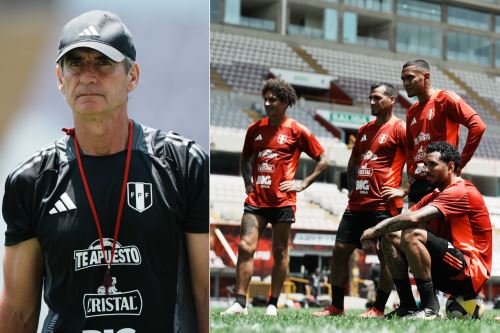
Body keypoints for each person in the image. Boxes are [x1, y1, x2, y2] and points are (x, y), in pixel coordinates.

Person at [0, 10, 208, 333]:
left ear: (133, 76)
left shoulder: (183, 165)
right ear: (60, 78)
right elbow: (17, 311)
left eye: (102, 62)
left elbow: (204, 294)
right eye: (75, 63)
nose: (88, 76)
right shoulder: (31, 182)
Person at [221, 78, 329, 316]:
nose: (268, 103)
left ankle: (272, 302)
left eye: (273, 100)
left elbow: (324, 159)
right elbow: (244, 159)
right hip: (256, 201)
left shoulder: (297, 130)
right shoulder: (255, 129)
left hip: (283, 201)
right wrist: (247, 182)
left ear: (286, 102)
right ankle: (240, 302)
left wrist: (304, 183)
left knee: (280, 251)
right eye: (266, 99)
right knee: (245, 246)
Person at [360, 142, 492, 319]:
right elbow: (405, 216)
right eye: (425, 164)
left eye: (432, 164)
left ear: (450, 166)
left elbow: (412, 219)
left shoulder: (461, 191)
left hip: (469, 273)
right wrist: (378, 232)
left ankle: (430, 309)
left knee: (413, 234)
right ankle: (407, 305)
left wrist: (374, 230)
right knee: (390, 236)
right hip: (449, 268)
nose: (426, 169)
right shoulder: (436, 194)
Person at [312, 82, 407, 318]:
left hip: (384, 205)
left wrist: (403, 190)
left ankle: (378, 308)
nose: (372, 102)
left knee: (387, 257)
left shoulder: (400, 129)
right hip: (357, 204)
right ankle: (336, 307)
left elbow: (417, 162)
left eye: (377, 98)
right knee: (339, 250)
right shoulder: (364, 130)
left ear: (392, 100)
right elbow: (353, 163)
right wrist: (353, 188)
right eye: (371, 98)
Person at [401, 59, 485, 206]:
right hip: (419, 181)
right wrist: (410, 169)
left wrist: (461, 163)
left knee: (431, 229)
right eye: (403, 79)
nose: (405, 83)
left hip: (440, 179)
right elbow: (409, 145)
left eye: (410, 77)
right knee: (409, 228)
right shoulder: (411, 111)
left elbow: (478, 126)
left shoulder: (445, 99)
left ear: (426, 77)